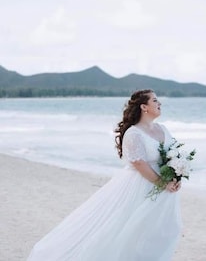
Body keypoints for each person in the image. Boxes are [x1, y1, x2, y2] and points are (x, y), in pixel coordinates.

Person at [27, 89, 182, 261]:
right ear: (144, 107)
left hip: (165, 190)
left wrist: (177, 175)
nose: (159, 103)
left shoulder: (163, 129)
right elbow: (139, 163)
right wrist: (162, 183)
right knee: (132, 231)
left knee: (161, 230)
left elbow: (173, 154)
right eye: (155, 100)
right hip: (141, 186)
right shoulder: (133, 133)